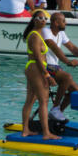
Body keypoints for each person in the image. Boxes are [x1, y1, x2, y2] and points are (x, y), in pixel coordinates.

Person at [43, 12, 78, 121]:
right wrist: (67, 62)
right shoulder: (46, 31)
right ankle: (55, 108)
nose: (66, 23)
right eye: (63, 21)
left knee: (75, 92)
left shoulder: (61, 33)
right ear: (55, 22)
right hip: (45, 66)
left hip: (55, 67)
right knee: (67, 77)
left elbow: (72, 47)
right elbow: (54, 47)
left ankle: (56, 114)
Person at [21, 10, 61, 140]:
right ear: (34, 20)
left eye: (45, 19)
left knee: (31, 100)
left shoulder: (38, 34)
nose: (43, 20)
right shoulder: (34, 36)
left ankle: (26, 130)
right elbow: (38, 58)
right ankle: (46, 133)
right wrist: (47, 76)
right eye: (40, 18)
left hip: (34, 68)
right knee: (43, 100)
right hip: (36, 68)